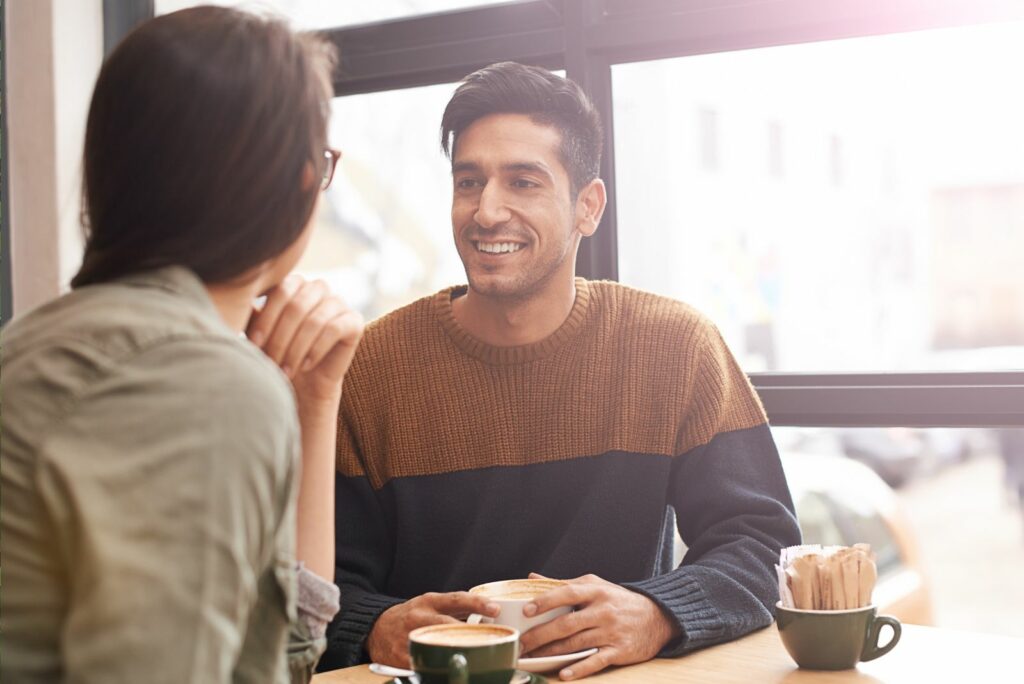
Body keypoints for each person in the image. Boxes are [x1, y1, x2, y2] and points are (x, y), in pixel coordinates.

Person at [320, 62, 801, 679]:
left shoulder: (675, 346)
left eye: (523, 182)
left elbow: (766, 546)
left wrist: (656, 613)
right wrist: (375, 627)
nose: (487, 211)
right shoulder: (373, 367)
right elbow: (317, 585)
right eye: (469, 182)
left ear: (588, 207)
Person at [0, 7, 361, 683]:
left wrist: (315, 401)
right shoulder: (197, 381)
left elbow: (286, 652)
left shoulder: (39, 340)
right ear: (300, 183)